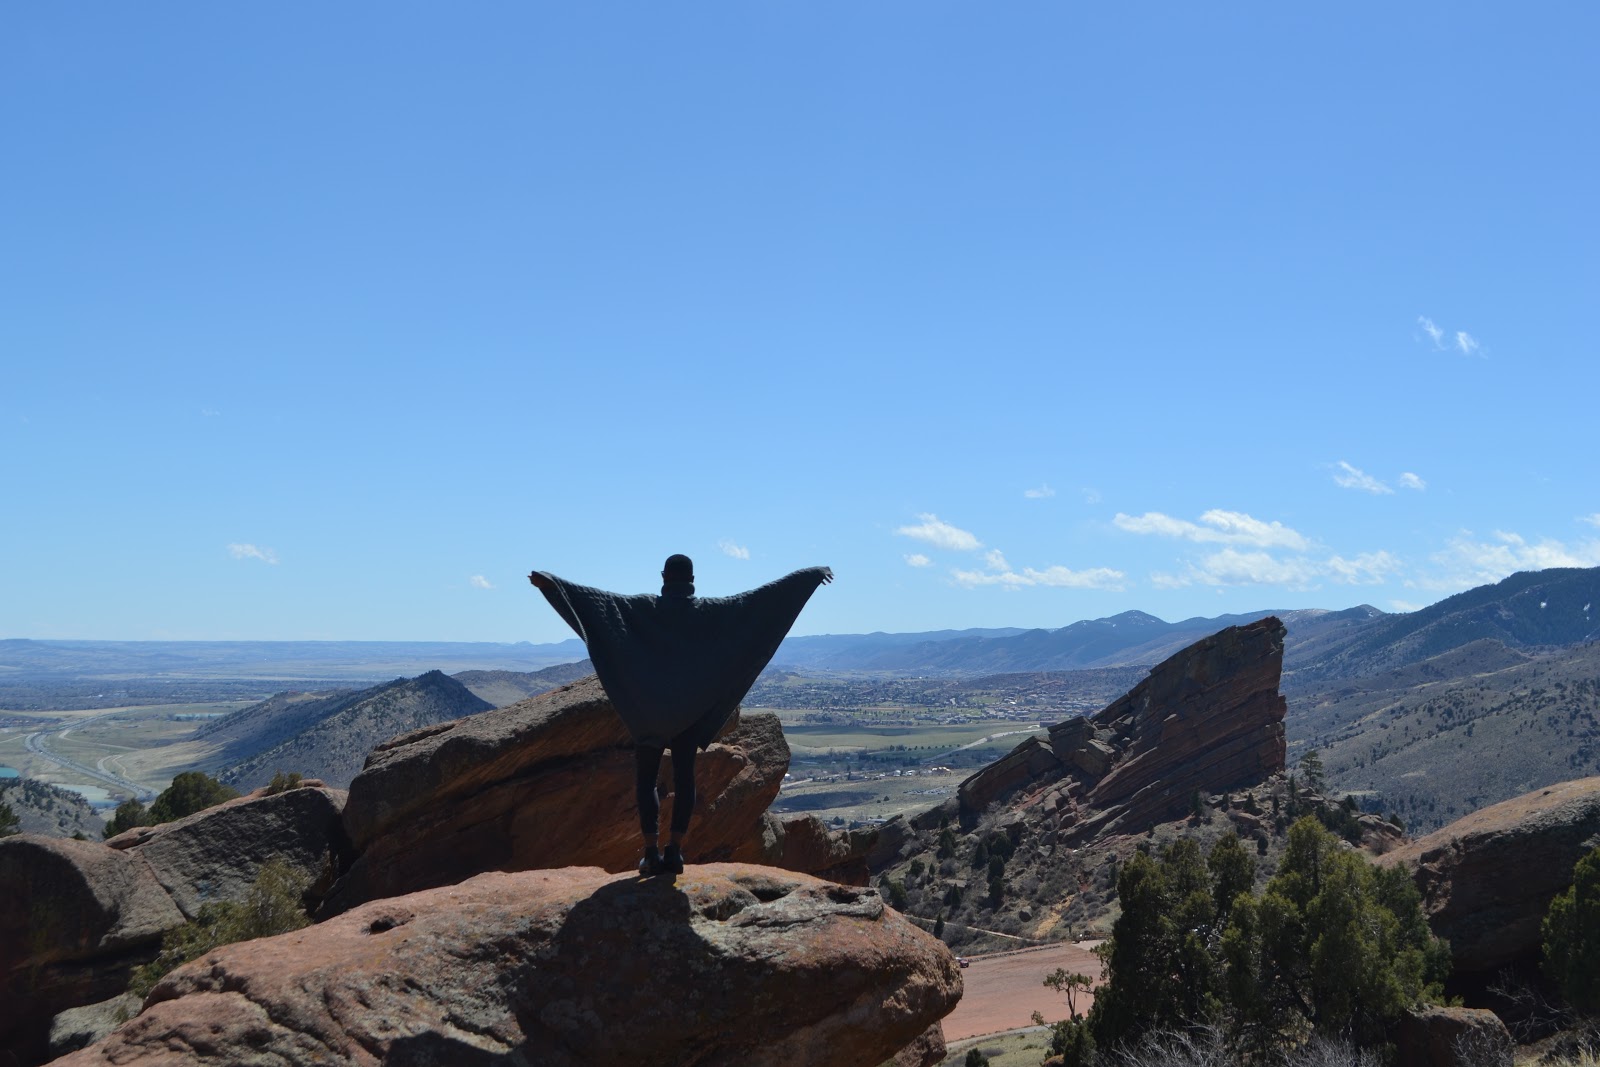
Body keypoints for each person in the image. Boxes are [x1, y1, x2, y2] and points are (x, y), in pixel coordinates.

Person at [529, 555, 832, 876]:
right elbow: (757, 602)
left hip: (649, 713)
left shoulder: (643, 608)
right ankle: (674, 852)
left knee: (646, 781)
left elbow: (596, 603)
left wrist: (552, 585)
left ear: (664, 577)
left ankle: (650, 854)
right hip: (689, 714)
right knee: (685, 780)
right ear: (692, 580)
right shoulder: (708, 611)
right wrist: (808, 577)